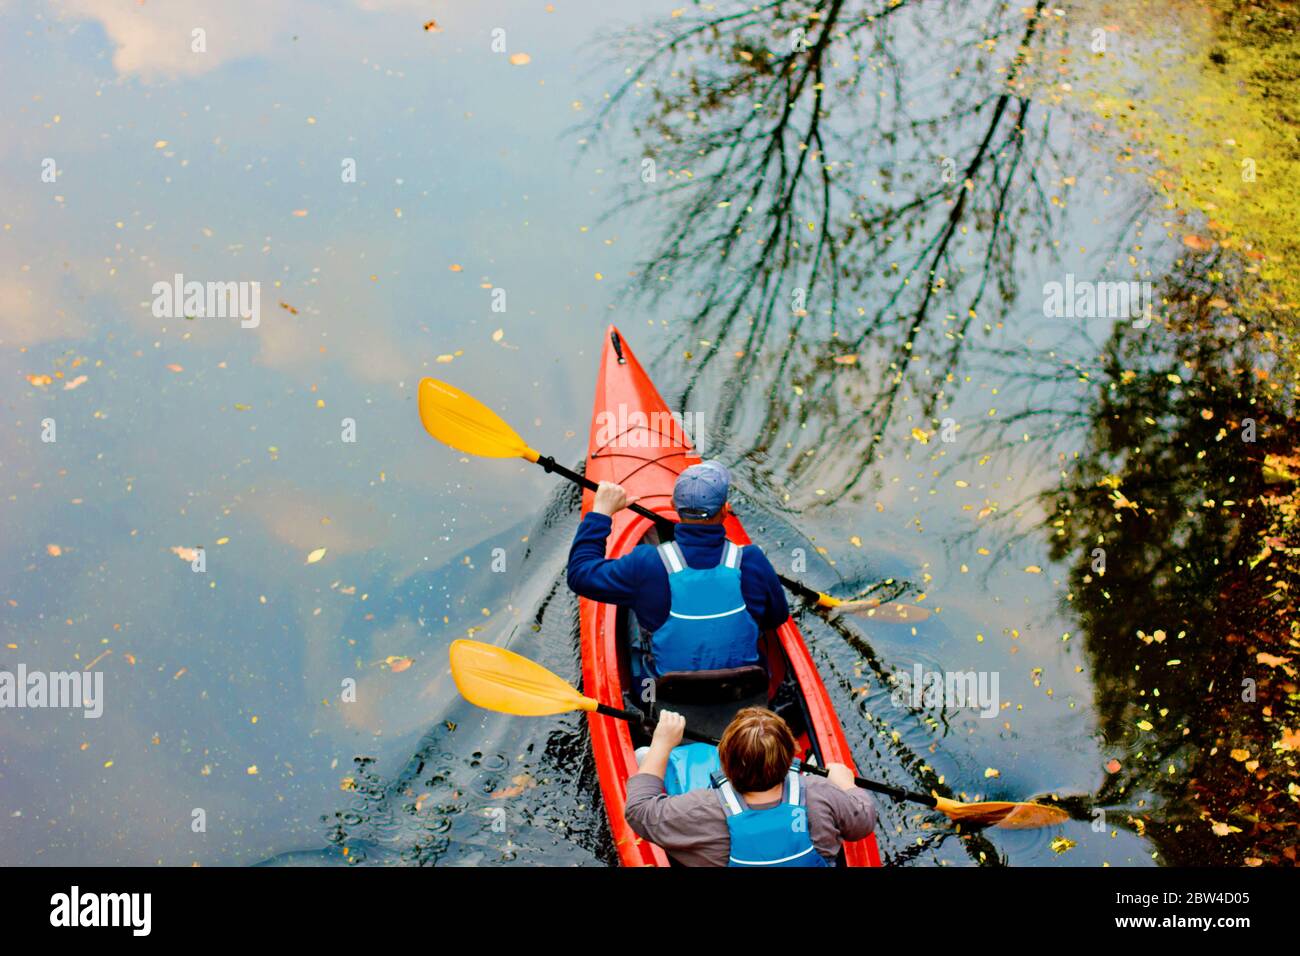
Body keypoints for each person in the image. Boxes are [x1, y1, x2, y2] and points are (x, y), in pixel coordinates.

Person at [567, 460, 789, 675]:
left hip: (674, 699)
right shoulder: (752, 560)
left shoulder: (647, 563)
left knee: (634, 598)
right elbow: (777, 617)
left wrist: (600, 513)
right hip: (747, 693)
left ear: (673, 506)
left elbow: (579, 574)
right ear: (724, 510)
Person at [625, 707, 877, 867]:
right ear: (790, 758)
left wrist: (661, 743)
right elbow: (862, 822)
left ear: (723, 761)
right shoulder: (820, 791)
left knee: (644, 754)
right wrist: (846, 785)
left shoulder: (700, 808)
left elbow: (639, 810)